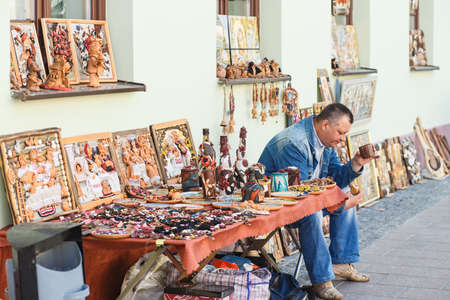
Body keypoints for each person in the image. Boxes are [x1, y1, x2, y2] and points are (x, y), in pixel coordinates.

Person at [258, 103, 373, 300]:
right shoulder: (294, 143)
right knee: (313, 214)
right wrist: (338, 205)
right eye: (340, 133)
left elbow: (334, 180)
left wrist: (356, 164)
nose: (342, 139)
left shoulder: (326, 141)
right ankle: (321, 281)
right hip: (278, 205)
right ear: (325, 124)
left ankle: (341, 262)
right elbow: (300, 196)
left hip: (304, 199)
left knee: (343, 191)